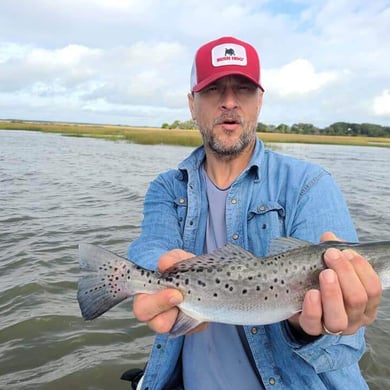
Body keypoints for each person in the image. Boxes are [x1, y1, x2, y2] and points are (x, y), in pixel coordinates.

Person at [127, 36, 382, 390]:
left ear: (259, 101)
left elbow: (345, 346)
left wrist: (314, 325)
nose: (229, 102)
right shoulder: (167, 187)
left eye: (243, 89)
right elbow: (150, 245)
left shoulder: (309, 184)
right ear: (192, 103)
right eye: (214, 88)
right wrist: (156, 271)